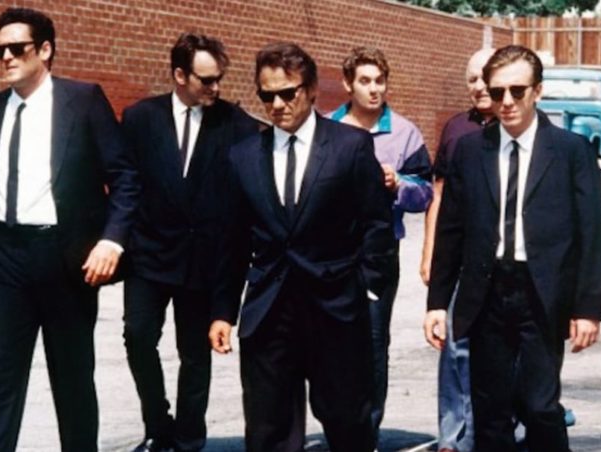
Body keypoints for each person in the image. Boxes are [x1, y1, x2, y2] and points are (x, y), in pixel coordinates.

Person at [0, 7, 138, 451]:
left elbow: (125, 177)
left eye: (17, 48)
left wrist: (111, 241)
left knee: (73, 378)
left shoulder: (83, 100)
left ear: (45, 50)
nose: (6, 57)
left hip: (65, 259)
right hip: (6, 260)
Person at [208, 42, 394, 452]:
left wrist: (366, 288)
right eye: (267, 95)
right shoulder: (243, 156)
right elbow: (231, 241)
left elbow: (377, 226)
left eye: (287, 93)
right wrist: (223, 311)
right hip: (269, 312)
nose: (277, 105)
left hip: (336, 307)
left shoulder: (349, 146)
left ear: (310, 90)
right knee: (268, 428)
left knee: (348, 423)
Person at [424, 45, 601, 452]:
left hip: (541, 293)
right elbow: (451, 231)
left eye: (517, 91)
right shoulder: (470, 151)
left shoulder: (570, 151)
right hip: (486, 293)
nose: (506, 101)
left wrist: (588, 308)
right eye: (497, 92)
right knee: (490, 410)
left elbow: (594, 234)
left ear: (537, 91)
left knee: (539, 405)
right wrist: (437, 302)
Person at [120, 33, 259, 452]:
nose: (215, 87)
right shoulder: (140, 118)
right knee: (138, 337)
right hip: (149, 256)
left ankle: (189, 438)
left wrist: (226, 302)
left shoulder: (238, 127)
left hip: (204, 261)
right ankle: (157, 425)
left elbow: (241, 213)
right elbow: (127, 185)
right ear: (180, 75)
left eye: (219, 79)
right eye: (206, 80)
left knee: (195, 354)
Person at [328, 46, 432, 441]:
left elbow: (425, 193)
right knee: (331, 344)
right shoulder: (326, 126)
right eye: (365, 81)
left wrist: (398, 184)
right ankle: (339, 430)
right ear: (348, 84)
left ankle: (366, 434)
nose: (374, 89)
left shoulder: (405, 133)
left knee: (372, 342)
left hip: (379, 253)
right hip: (329, 254)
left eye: (380, 81)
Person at [420, 47, 496, 452]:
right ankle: (454, 436)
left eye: (486, 77)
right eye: (472, 79)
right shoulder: (456, 129)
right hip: (461, 258)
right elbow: (439, 193)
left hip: (502, 261)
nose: (479, 86)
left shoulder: (519, 125)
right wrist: (430, 252)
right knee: (454, 346)